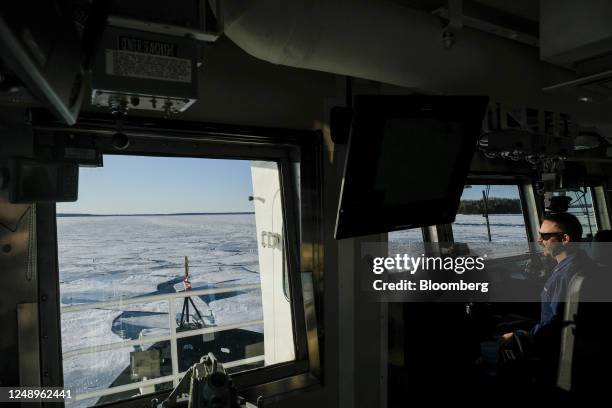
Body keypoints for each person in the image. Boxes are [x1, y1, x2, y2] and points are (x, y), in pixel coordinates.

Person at [500, 212, 598, 386]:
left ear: (565, 239)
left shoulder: (565, 276)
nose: (539, 241)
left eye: (545, 236)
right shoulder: (582, 264)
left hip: (551, 350)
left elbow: (554, 325)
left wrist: (519, 336)